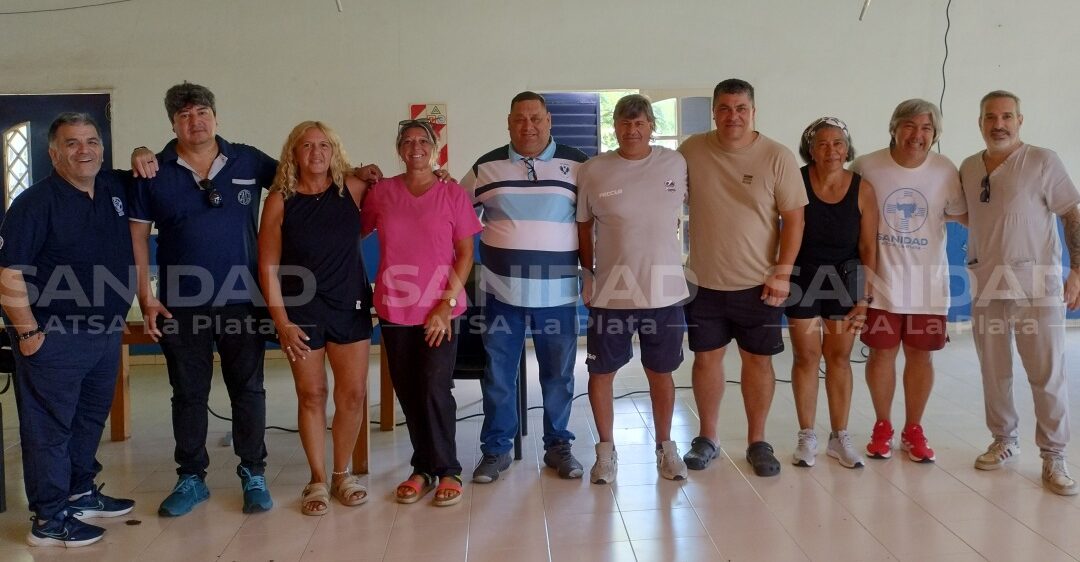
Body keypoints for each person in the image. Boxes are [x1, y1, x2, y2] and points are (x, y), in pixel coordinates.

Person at [128, 82, 279, 516]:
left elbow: (304, 176)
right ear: (172, 123)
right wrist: (147, 296)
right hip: (181, 304)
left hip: (242, 301)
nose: (195, 121)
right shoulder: (154, 171)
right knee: (187, 393)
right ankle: (191, 477)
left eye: (201, 112)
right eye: (184, 115)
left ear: (216, 115)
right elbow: (137, 237)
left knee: (248, 388)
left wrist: (358, 174)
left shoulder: (248, 160)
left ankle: (253, 471)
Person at [0, 113, 135, 547]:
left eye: (92, 141)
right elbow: (8, 275)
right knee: (49, 428)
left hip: (104, 331)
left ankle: (79, 491)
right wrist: (27, 333)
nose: (84, 150)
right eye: (72, 143)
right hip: (54, 337)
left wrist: (143, 153)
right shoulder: (34, 204)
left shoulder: (113, 189)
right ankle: (50, 518)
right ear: (53, 152)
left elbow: (149, 167)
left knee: (88, 419)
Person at [678, 79, 807, 477]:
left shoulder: (776, 156)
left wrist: (782, 272)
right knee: (706, 360)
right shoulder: (692, 150)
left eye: (741, 108)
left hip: (760, 284)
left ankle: (757, 441)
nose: (732, 115)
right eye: (724, 108)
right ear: (714, 111)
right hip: (704, 281)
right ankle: (708, 438)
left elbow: (795, 218)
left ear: (753, 112)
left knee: (758, 362)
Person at [460, 92, 588, 483]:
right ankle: (496, 450)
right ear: (508, 122)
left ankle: (558, 446)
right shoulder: (487, 166)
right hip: (502, 295)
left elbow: (594, 221)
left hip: (559, 295)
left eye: (535, 118)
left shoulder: (579, 164)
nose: (528, 126)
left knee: (558, 374)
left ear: (549, 120)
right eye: (519, 119)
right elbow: (456, 213)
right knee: (498, 374)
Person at [960, 90, 1080, 495]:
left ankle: (1054, 456)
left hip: (1037, 288)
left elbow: (1071, 213)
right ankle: (1004, 441)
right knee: (994, 371)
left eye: (1007, 116)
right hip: (986, 285)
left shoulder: (1042, 161)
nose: (999, 123)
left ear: (1020, 120)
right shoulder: (969, 167)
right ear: (979, 122)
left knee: (1047, 374)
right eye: (990, 116)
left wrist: (1077, 270)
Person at [257, 121, 380, 514]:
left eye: (324, 144)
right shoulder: (279, 200)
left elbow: (400, 195)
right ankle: (316, 478)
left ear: (334, 150)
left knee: (353, 394)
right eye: (306, 145)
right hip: (300, 311)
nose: (316, 152)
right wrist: (281, 320)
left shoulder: (354, 190)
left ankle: (342, 474)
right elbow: (267, 266)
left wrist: (437, 174)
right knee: (311, 395)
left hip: (350, 305)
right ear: (293, 153)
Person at [361, 119, 481, 507]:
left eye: (423, 141)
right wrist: (356, 175)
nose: (415, 147)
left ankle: (449, 470)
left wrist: (444, 306)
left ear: (435, 147)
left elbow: (465, 254)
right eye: (408, 141)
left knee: (433, 385)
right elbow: (353, 229)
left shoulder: (452, 194)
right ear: (399, 148)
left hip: (440, 309)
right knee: (409, 391)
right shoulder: (382, 193)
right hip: (396, 307)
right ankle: (423, 468)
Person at [576, 94, 690, 484]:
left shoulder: (675, 162)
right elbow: (583, 227)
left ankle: (665, 447)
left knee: (661, 372)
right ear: (616, 127)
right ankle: (605, 452)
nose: (632, 130)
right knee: (601, 372)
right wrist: (585, 273)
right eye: (625, 123)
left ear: (651, 126)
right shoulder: (593, 170)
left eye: (639, 122)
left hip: (664, 294)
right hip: (611, 294)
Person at [851, 99, 966, 463]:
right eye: (910, 126)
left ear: (935, 134)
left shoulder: (945, 170)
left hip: (928, 288)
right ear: (894, 126)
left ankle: (913, 429)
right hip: (881, 286)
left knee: (920, 357)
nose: (918, 135)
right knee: (881, 355)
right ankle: (882, 426)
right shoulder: (866, 166)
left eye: (927, 128)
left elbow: (965, 217)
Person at [785, 117, 878, 469]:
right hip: (803, 277)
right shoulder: (795, 180)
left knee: (838, 358)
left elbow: (869, 246)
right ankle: (806, 434)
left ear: (847, 147)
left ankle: (839, 436)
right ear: (811, 149)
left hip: (845, 279)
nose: (831, 150)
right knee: (806, 357)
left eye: (837, 143)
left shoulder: (862, 188)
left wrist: (865, 298)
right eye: (822, 144)